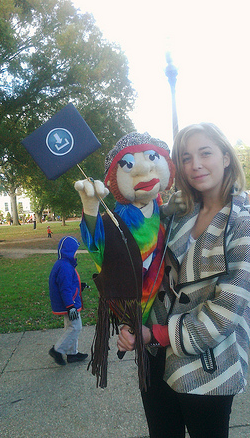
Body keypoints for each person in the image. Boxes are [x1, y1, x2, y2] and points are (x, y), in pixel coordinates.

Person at [117, 123, 250, 438]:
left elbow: (223, 315)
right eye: (185, 158)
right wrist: (128, 319)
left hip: (207, 366)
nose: (195, 164)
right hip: (154, 361)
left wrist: (153, 334)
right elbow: (144, 264)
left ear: (226, 158)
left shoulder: (247, 228)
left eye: (205, 153)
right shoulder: (179, 213)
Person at [75, 132, 175, 389]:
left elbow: (158, 225)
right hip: (138, 305)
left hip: (163, 310)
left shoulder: (158, 204)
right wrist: (90, 210)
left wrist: (171, 211)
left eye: (152, 157)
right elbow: (103, 248)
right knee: (154, 385)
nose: (143, 167)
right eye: (128, 164)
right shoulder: (124, 217)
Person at [48, 236, 88, 365]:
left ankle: (72, 354)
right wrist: (70, 306)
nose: (77, 252)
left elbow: (68, 284)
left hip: (69, 302)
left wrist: (80, 286)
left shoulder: (65, 264)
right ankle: (57, 350)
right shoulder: (64, 266)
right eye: (75, 249)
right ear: (70, 250)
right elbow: (64, 289)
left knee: (71, 327)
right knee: (75, 327)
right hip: (69, 304)